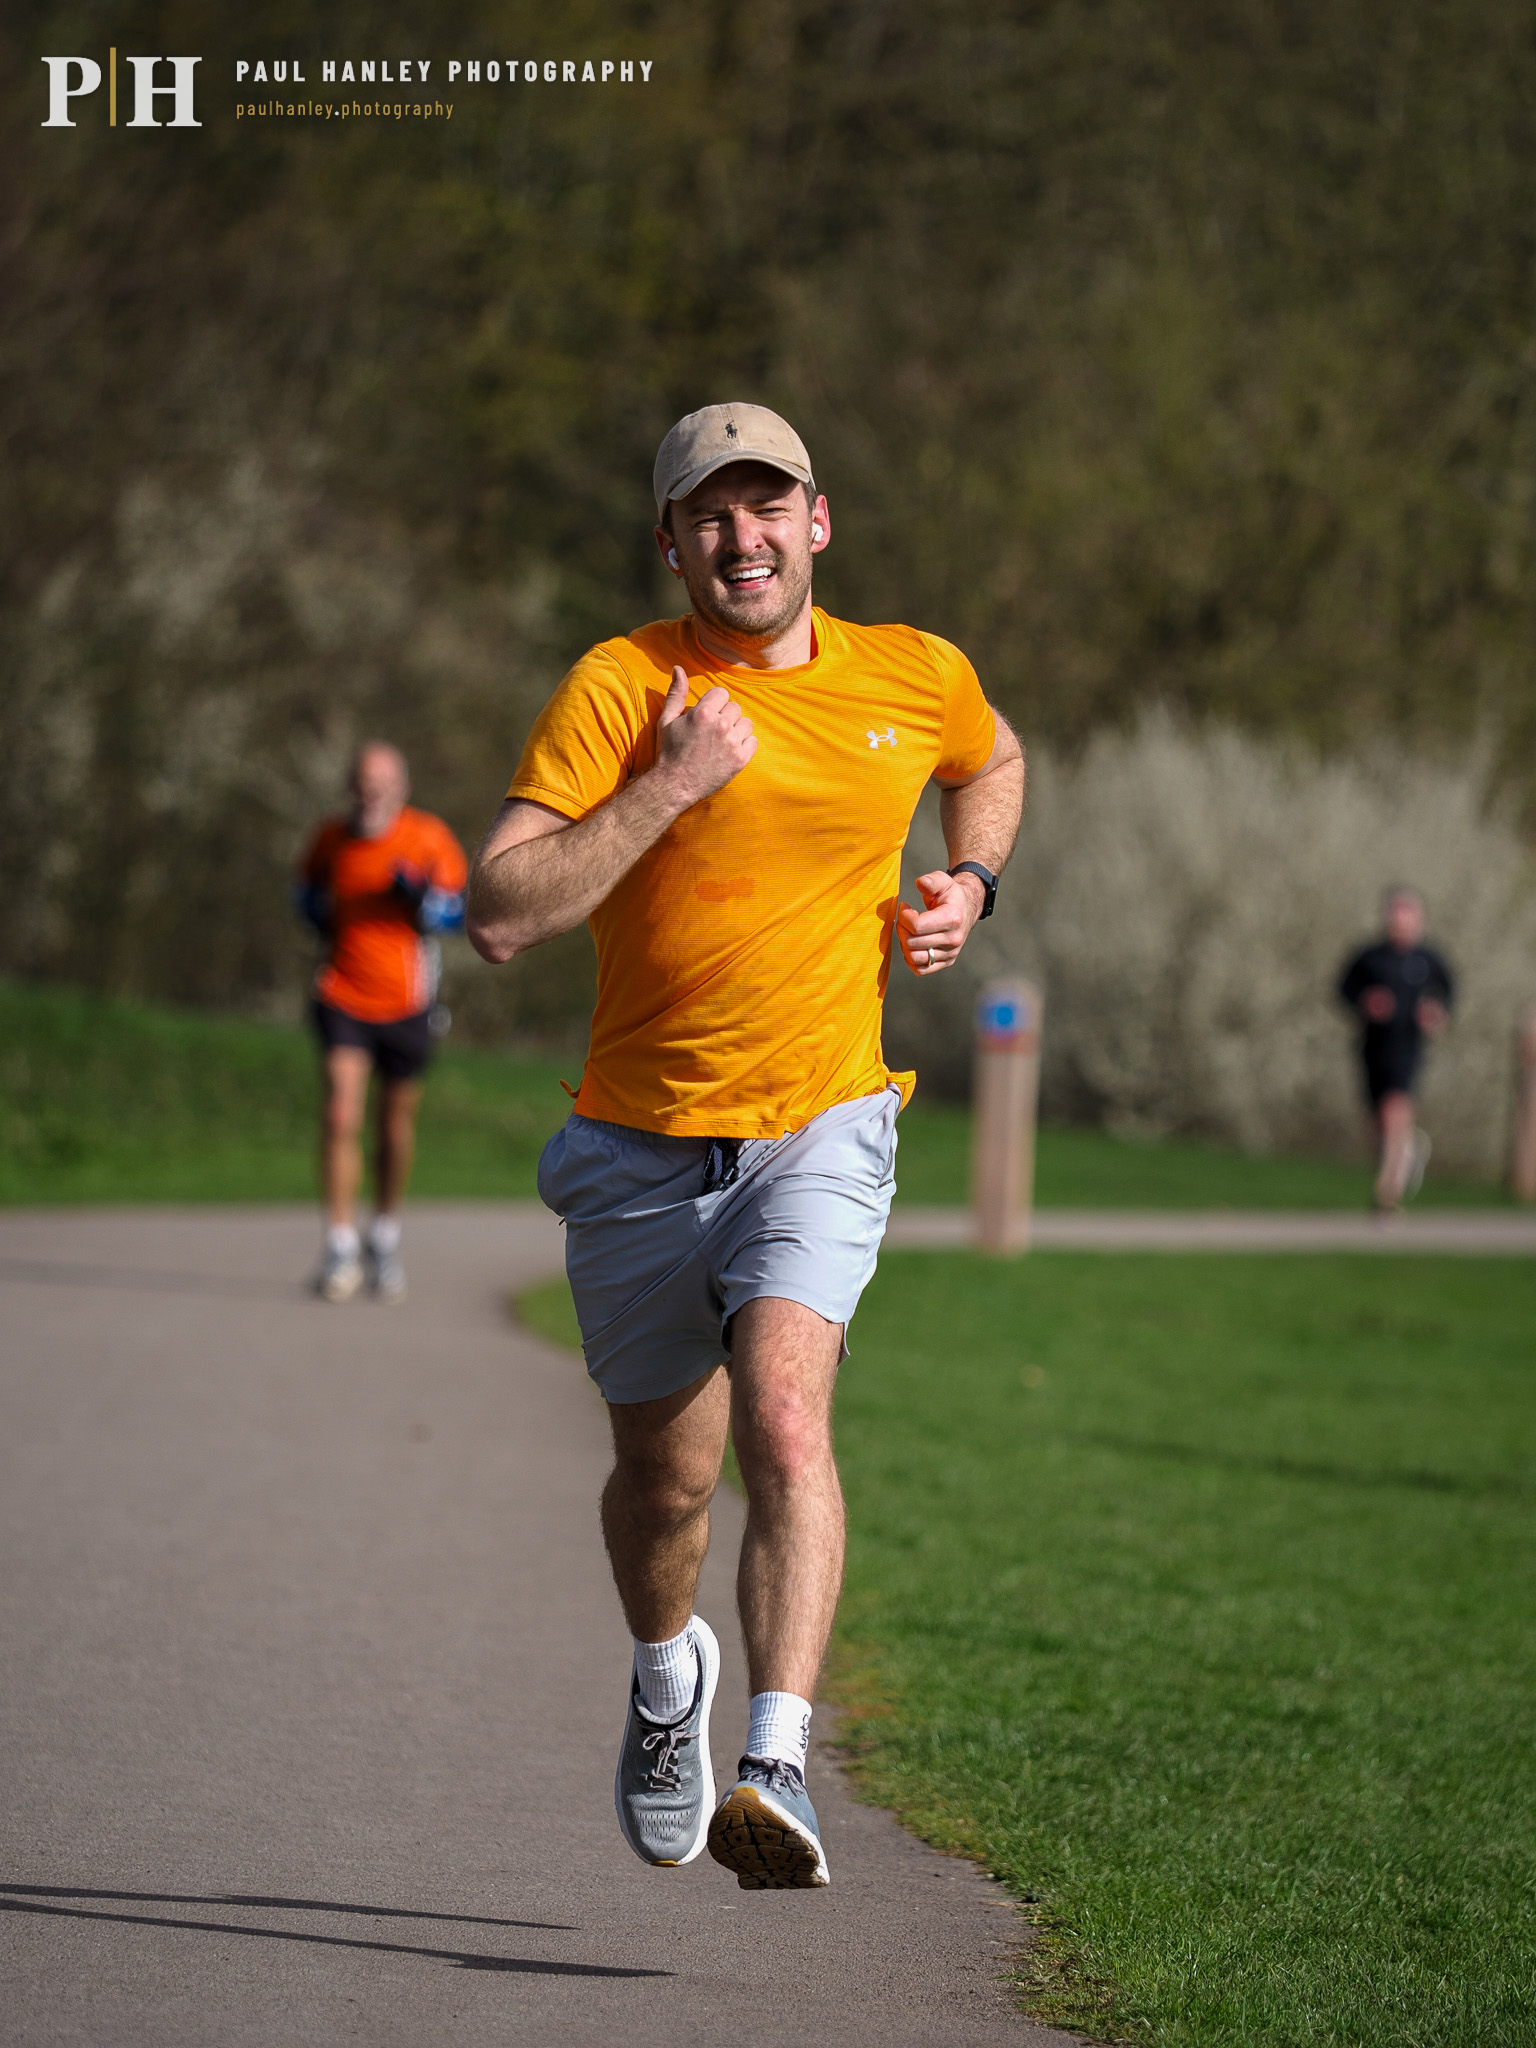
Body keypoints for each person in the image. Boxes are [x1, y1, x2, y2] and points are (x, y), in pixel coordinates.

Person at [466, 403, 1025, 1890]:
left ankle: (775, 1769)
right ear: (671, 542)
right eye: (709, 514)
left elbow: (995, 756)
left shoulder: (916, 672)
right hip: (640, 1143)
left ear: (818, 521)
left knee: (789, 1420)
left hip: (823, 1122)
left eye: (766, 505)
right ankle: (668, 1682)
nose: (743, 536)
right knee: (665, 1489)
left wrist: (970, 881)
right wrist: (667, 782)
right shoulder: (625, 685)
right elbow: (505, 911)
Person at [296, 741, 468, 1302]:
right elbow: (303, 891)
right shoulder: (330, 839)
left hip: (407, 1003)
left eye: (382, 784)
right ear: (351, 787)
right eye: (362, 784)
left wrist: (419, 900)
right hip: (343, 993)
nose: (370, 794)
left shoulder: (428, 838)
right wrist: (314, 909)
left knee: (393, 1130)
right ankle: (340, 1244)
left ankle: (384, 1236)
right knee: (340, 1110)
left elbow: (461, 911)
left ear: (401, 789)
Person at [1338, 886, 1455, 1213]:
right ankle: (1407, 1151)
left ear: (1420, 920)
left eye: (1407, 915)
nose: (1400, 921)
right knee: (1379, 1120)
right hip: (1373, 1047)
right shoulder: (1370, 957)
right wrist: (1365, 1001)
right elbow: (1344, 988)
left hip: (1408, 1046)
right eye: (1395, 914)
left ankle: (1387, 1192)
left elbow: (1446, 993)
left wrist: (1435, 1012)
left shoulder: (1429, 960)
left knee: (1395, 1108)